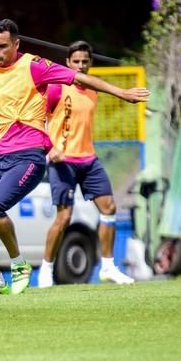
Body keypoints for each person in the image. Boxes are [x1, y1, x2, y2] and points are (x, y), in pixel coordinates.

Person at [0, 19, 149, 296]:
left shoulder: (34, 65)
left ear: (17, 44)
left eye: (2, 46)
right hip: (0, 157)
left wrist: (121, 92)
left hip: (29, 155)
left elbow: (78, 78)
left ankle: (21, 266)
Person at [37, 41, 134, 288]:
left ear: (90, 63)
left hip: (88, 159)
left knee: (109, 207)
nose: (81, 66)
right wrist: (51, 148)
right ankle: (46, 269)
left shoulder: (93, 90)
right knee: (64, 218)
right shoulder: (57, 88)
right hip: (63, 161)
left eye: (85, 61)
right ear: (68, 63)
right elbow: (37, 119)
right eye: (76, 61)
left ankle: (109, 267)